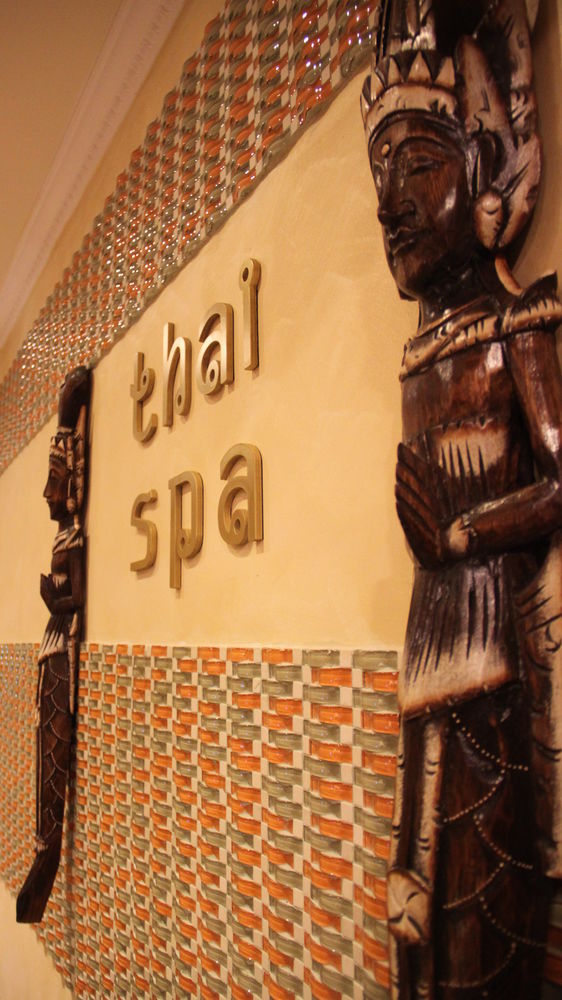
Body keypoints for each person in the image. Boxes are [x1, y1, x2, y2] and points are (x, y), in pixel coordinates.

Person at [361, 0, 562, 995]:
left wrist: (459, 532)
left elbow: (559, 482)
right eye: (380, 176)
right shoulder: (420, 350)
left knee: (483, 894)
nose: (389, 204)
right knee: (413, 895)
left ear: (483, 172)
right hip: (427, 643)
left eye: (418, 166)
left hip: (495, 655)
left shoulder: (523, 321)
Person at [17, 366, 90, 924]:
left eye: (55, 479)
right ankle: (43, 847)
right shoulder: (62, 534)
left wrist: (54, 600)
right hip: (52, 648)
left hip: (62, 648)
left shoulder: (75, 537)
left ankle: (48, 849)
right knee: (44, 744)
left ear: (72, 484)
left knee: (53, 746)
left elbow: (78, 597)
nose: (48, 491)